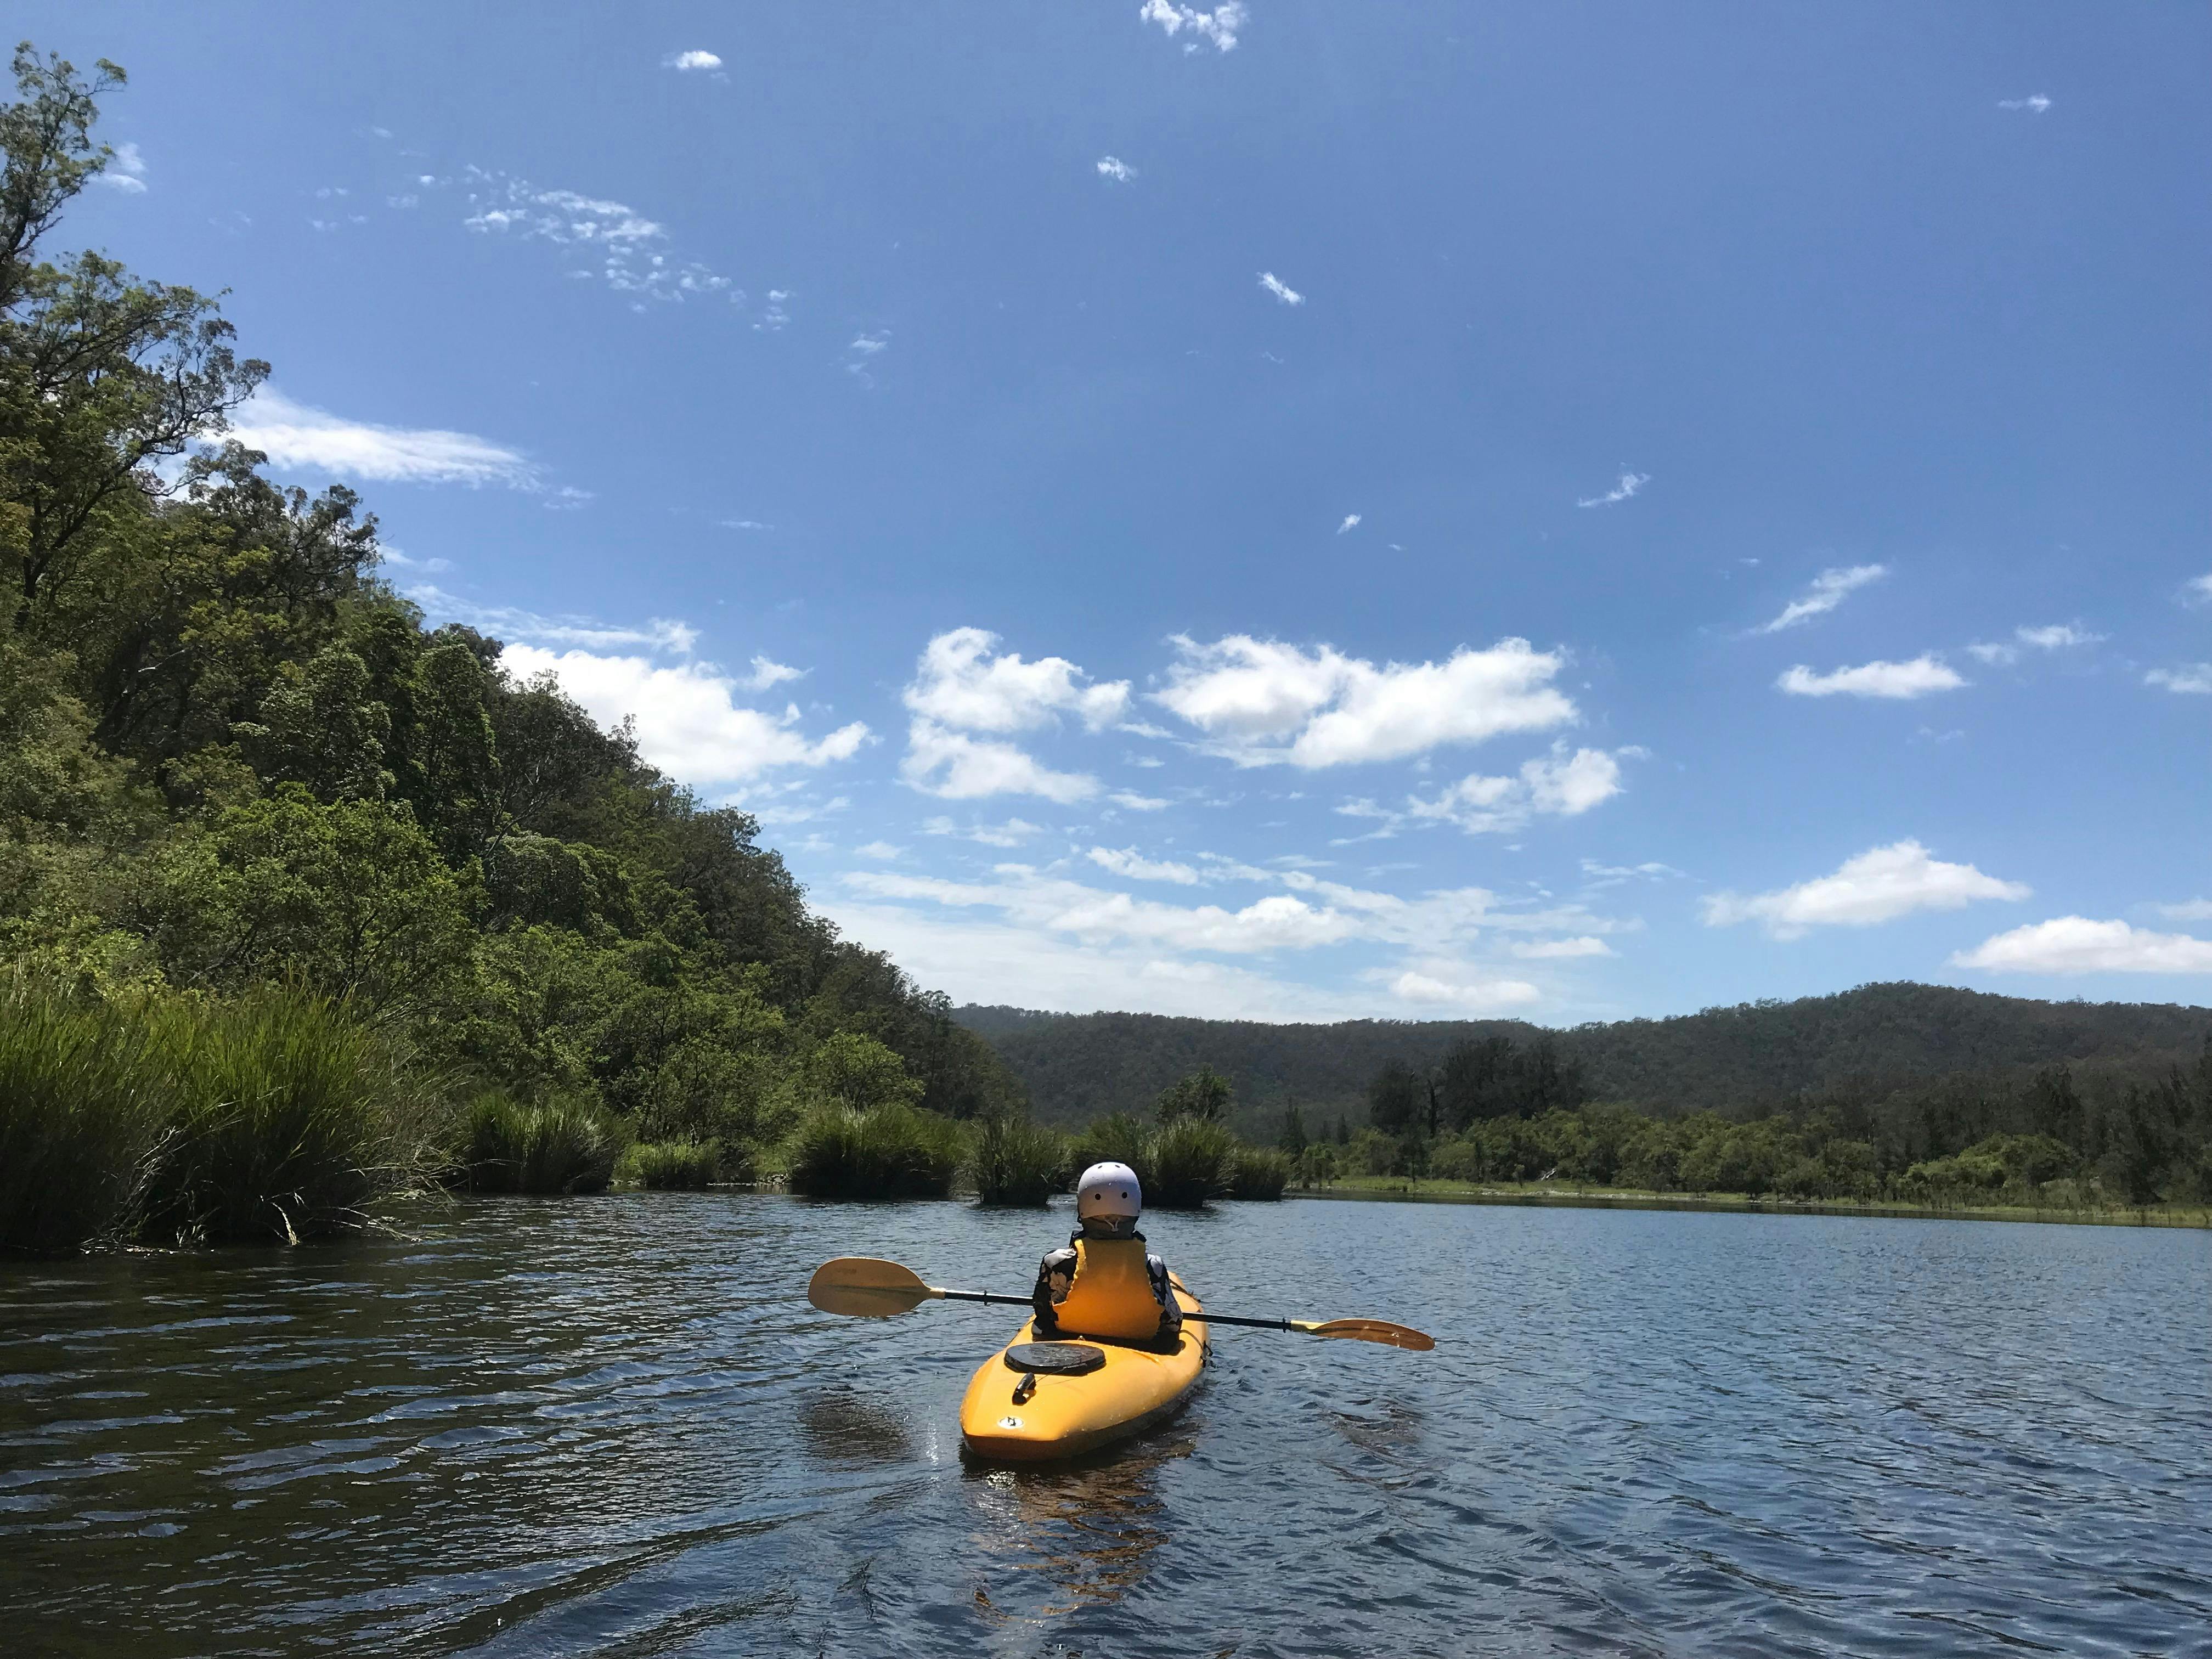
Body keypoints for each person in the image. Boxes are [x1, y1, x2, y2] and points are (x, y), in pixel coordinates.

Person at [1031, 1161, 1184, 1347]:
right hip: (1138, 1346)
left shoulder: (1057, 1262)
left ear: (1082, 1209)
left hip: (1070, 1340)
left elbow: (1043, 1313)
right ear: (1135, 1209)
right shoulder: (1153, 1265)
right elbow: (1174, 1323)